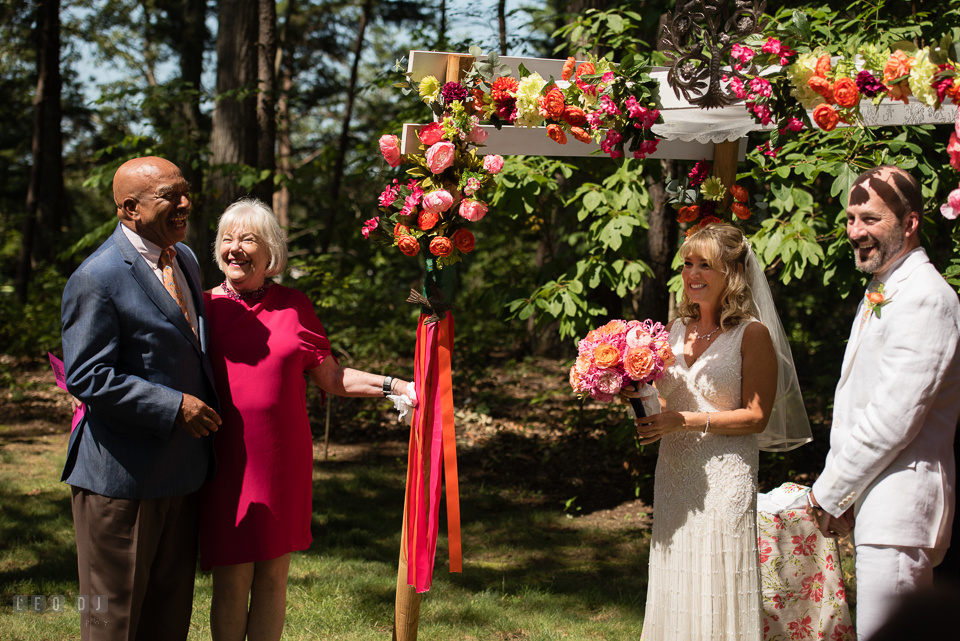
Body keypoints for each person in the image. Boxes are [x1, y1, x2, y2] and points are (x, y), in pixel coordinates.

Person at [199, 198, 416, 641]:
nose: (235, 248)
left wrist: (397, 386)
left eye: (247, 239)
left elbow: (332, 376)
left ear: (270, 251)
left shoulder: (295, 305)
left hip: (281, 460)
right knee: (232, 579)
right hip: (226, 460)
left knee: (274, 578)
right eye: (227, 238)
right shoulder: (201, 308)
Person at [61, 156, 221, 640]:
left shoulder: (186, 258)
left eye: (186, 191)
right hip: (121, 479)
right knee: (114, 619)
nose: (185, 204)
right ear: (130, 208)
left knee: (169, 613)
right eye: (170, 196)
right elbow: (87, 376)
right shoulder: (97, 277)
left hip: (182, 472)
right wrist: (173, 406)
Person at [629, 222, 810, 641]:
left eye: (704, 265)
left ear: (731, 273)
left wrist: (685, 421)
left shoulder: (752, 334)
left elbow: (756, 417)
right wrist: (633, 394)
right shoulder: (674, 330)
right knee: (676, 573)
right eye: (687, 263)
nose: (691, 274)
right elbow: (666, 401)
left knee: (718, 577)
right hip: (674, 472)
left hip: (726, 475)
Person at [807, 165, 960, 641]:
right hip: (877, 504)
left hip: (901, 512)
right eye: (851, 218)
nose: (855, 231)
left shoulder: (925, 297)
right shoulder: (886, 288)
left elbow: (893, 418)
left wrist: (829, 492)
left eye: (870, 218)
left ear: (910, 222)